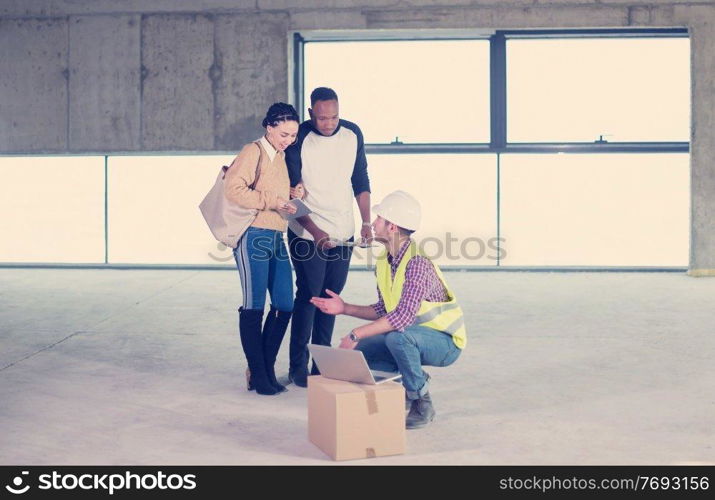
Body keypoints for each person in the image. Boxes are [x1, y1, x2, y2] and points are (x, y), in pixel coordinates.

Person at [310, 191, 467, 429]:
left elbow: (401, 317)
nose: (373, 224)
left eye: (379, 219)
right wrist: (344, 308)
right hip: (413, 335)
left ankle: (421, 401)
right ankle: (398, 388)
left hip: (445, 342)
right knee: (365, 350)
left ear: (392, 227)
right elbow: (384, 309)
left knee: (396, 339)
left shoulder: (416, 263)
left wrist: (356, 333)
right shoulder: (385, 261)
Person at [284, 87, 372, 387]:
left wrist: (366, 222)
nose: (329, 123)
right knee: (310, 297)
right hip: (306, 232)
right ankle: (298, 366)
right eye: (322, 118)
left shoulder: (352, 134)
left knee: (331, 299)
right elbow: (290, 194)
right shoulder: (300, 138)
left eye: (334, 116)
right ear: (311, 113)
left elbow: (360, 178)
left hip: (342, 231)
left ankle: (321, 366)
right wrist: (315, 230)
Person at [224, 102, 300, 396]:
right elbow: (234, 189)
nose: (288, 140)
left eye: (292, 136)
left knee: (284, 304)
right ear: (269, 127)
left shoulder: (280, 156)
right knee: (254, 305)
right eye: (283, 134)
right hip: (252, 234)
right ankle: (259, 373)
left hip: (276, 234)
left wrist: (293, 194)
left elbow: (272, 192)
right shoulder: (252, 151)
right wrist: (273, 200)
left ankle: (264, 369)